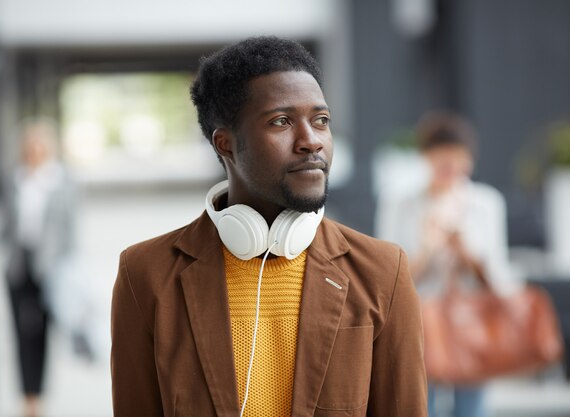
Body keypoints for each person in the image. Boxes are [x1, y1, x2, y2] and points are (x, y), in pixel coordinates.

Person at [111, 36, 427, 417]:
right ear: (225, 144)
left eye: (321, 120)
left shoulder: (382, 271)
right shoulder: (146, 273)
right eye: (281, 121)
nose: (311, 142)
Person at [376, 111, 512, 417]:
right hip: (418, 322)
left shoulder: (487, 203)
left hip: (472, 322)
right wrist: (427, 246)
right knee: (421, 404)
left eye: (456, 158)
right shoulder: (400, 203)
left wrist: (466, 252)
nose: (449, 166)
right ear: (425, 158)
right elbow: (388, 278)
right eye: (441, 158)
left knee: (472, 408)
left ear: (469, 160)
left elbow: (499, 277)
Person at [2, 119, 76, 417]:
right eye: (29, 146)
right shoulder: (15, 179)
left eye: (39, 146)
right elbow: (7, 224)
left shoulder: (62, 182)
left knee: (42, 334)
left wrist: (68, 266)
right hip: (18, 267)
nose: (34, 151)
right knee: (19, 333)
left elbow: (70, 231)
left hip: (49, 269)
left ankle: (39, 395)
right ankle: (27, 396)